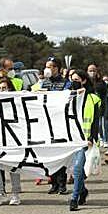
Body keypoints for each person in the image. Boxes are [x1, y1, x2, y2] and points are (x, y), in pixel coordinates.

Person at [69, 70, 102, 211]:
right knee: (77, 170)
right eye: (71, 79)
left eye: (76, 79)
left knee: (78, 170)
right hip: (72, 139)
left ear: (83, 81)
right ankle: (82, 191)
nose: (73, 82)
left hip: (86, 140)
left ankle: (74, 198)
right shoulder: (68, 97)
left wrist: (91, 138)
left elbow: (95, 121)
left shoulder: (93, 98)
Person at [0, 77, 23, 206]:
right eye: (0, 88)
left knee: (14, 167)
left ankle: (15, 193)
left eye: (5, 88)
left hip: (13, 140)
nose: (2, 91)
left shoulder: (17, 104)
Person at [40, 57, 70, 194]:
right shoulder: (44, 83)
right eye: (46, 66)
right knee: (49, 154)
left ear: (57, 68)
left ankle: (62, 183)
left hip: (60, 123)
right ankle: (53, 182)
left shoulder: (65, 83)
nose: (48, 69)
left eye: (50, 66)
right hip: (46, 123)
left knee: (60, 154)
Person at [87, 64, 108, 148]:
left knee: (103, 125)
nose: (92, 72)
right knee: (96, 125)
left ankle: (105, 139)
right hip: (89, 107)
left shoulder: (101, 82)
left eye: (94, 70)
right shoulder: (86, 82)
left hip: (100, 106)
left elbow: (105, 94)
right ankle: (99, 138)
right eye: (90, 70)